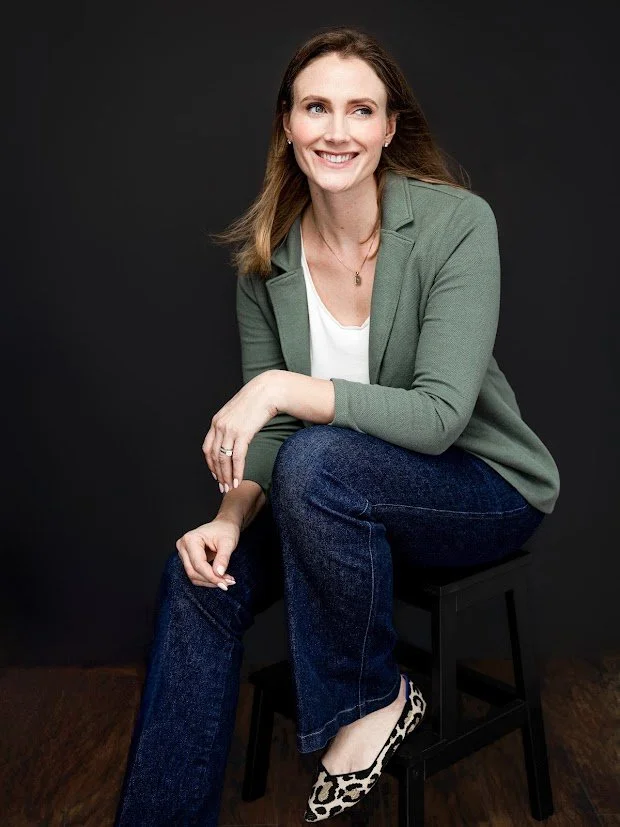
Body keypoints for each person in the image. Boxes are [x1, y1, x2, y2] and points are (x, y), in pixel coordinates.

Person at [114, 25, 560, 826]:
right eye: (316, 107)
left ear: (390, 128)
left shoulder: (459, 225)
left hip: (474, 486)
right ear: (288, 122)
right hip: (326, 500)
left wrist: (285, 386)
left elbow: (436, 416)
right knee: (197, 578)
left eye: (361, 110)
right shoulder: (266, 258)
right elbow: (276, 441)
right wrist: (225, 517)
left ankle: (374, 698)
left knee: (321, 459)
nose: (337, 129)